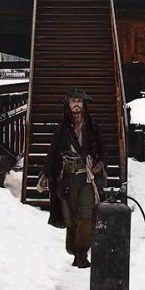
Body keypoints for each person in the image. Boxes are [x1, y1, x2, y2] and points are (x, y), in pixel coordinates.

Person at [46, 87, 107, 268]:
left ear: (84, 105)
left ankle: (82, 253)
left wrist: (100, 165)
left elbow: (103, 152)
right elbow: (53, 153)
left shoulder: (93, 127)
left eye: (79, 101)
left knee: (87, 215)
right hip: (67, 177)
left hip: (87, 177)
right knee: (70, 217)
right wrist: (47, 174)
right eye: (73, 101)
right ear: (68, 105)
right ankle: (73, 251)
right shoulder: (61, 130)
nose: (76, 104)